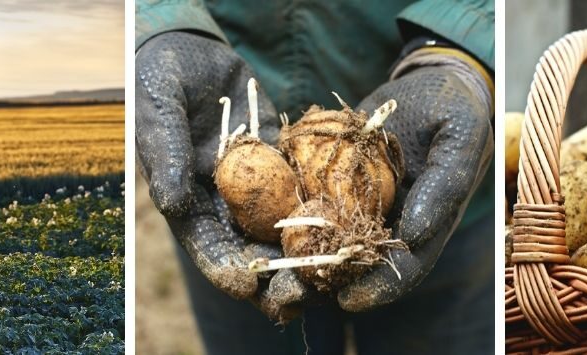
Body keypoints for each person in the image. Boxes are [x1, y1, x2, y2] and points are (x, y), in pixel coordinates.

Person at [135, 1, 495, 354]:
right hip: (215, 125)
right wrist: (159, 22)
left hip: (430, 178)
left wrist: (466, 45)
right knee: (248, 298)